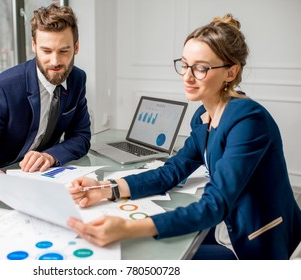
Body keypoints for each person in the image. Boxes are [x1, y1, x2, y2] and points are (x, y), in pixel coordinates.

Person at [67, 14, 301, 260]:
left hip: (256, 243)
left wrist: (127, 229)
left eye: (201, 68)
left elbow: (214, 205)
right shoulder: (203, 115)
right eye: (185, 64)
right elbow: (170, 172)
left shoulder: (249, 120)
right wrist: (106, 189)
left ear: (231, 72)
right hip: (225, 225)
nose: (187, 77)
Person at [0, 4, 91, 203]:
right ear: (34, 46)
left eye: (64, 51)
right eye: (46, 50)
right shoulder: (1, 88)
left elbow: (81, 137)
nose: (55, 61)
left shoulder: (77, 79)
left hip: (39, 182)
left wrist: (50, 156)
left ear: (76, 47)